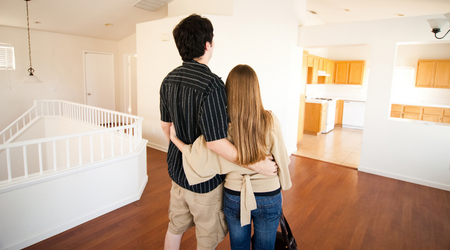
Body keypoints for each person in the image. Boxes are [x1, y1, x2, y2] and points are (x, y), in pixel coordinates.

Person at [159, 14, 277, 250]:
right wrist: (257, 165)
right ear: (207, 44)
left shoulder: (168, 80)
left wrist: (181, 149)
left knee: (174, 229)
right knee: (207, 240)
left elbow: (167, 127)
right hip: (204, 183)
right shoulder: (211, 85)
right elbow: (215, 143)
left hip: (177, 174)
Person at [169, 64, 292, 250]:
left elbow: (195, 154)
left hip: (234, 195)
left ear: (229, 92)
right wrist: (282, 182)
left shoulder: (221, 128)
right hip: (268, 195)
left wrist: (173, 138)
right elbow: (283, 161)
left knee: (238, 247)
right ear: (255, 90)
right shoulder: (270, 120)